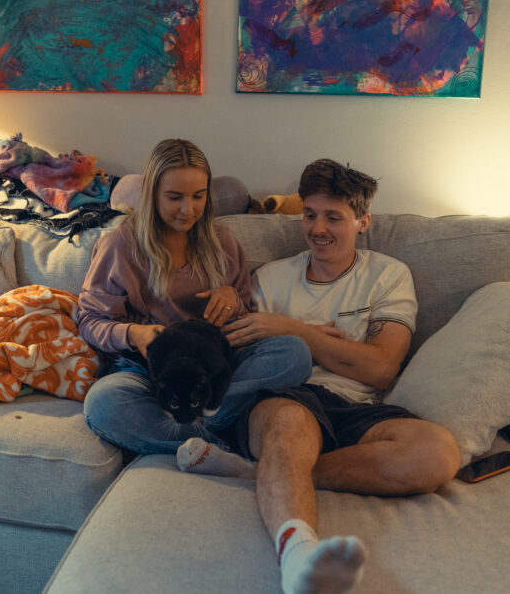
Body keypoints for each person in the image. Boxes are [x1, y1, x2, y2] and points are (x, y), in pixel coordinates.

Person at [176, 159, 462, 594]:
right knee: (289, 425)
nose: (318, 228)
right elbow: (244, 358)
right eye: (310, 214)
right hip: (285, 400)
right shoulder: (270, 280)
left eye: (334, 217)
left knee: (437, 453)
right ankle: (298, 557)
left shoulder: (387, 275)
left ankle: (258, 473)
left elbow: (382, 367)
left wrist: (296, 330)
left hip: (354, 407)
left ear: (362, 222)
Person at [79, 138, 312, 455]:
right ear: (153, 194)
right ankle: (226, 444)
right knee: (103, 405)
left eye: (198, 196)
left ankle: (198, 431)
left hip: (216, 369)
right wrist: (134, 334)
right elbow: (90, 321)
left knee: (294, 352)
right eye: (175, 197)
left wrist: (231, 297)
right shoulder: (119, 245)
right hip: (151, 372)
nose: (189, 209)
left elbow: (243, 315)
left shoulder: (223, 242)